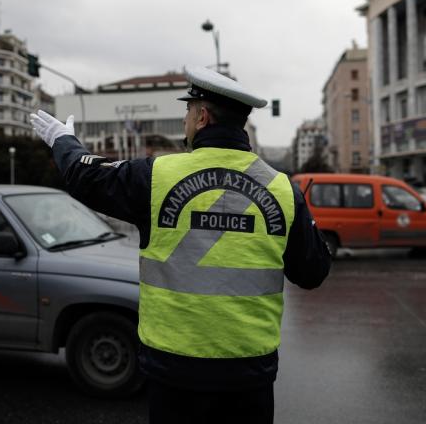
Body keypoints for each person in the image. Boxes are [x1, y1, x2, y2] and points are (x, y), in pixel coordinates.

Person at [31, 66, 331, 424]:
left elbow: (88, 177)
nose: (184, 120)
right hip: (249, 374)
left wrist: (63, 141)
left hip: (174, 372)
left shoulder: (157, 176)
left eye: (188, 111)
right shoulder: (282, 190)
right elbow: (313, 272)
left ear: (202, 117)